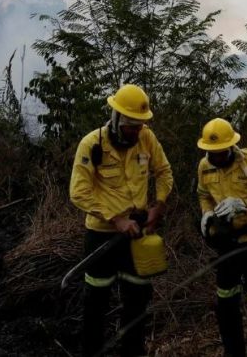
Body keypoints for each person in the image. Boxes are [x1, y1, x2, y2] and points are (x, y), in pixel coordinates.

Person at [69, 84, 173, 357]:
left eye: (140, 126)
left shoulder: (146, 138)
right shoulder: (92, 144)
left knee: (137, 303)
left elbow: (163, 171)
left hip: (136, 235)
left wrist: (158, 205)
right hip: (101, 237)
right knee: (95, 305)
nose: (136, 132)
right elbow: (78, 193)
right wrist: (115, 219)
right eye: (131, 126)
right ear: (116, 120)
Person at [196, 118, 247, 357]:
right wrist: (207, 212)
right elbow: (203, 195)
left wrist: (242, 204)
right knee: (226, 300)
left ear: (231, 146)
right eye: (212, 152)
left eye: (220, 152)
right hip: (226, 244)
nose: (216, 157)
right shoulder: (204, 166)